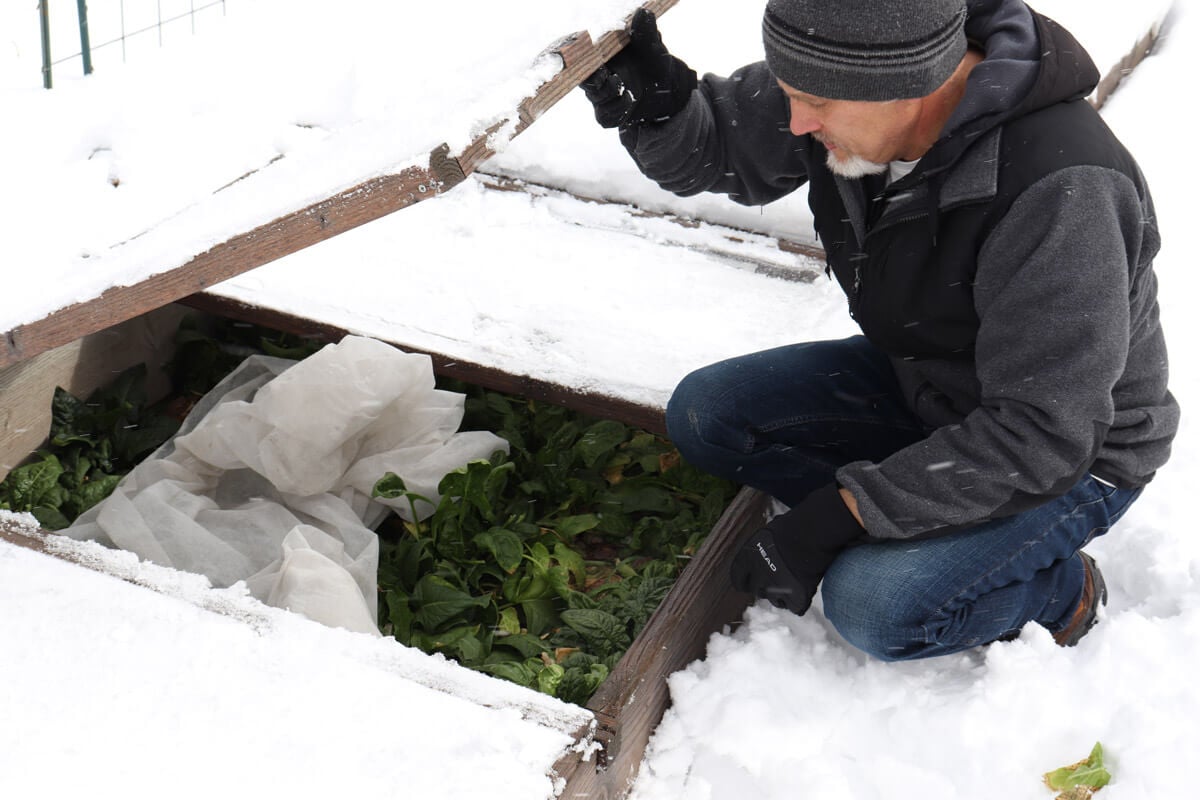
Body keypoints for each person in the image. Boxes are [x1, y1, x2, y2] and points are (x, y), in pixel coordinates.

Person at [580, 0, 1179, 660]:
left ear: (910, 85)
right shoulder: (844, 76)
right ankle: (921, 516)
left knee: (878, 606)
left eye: (815, 105)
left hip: (1073, 455)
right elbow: (717, 150)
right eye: (790, 94)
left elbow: (1044, 435)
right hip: (929, 381)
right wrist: (660, 107)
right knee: (708, 414)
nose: (798, 123)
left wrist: (841, 515)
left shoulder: (1062, 190)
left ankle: (1062, 595)